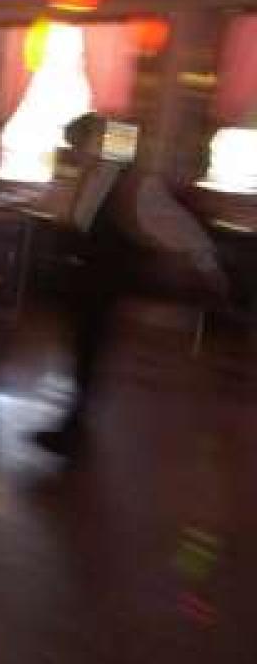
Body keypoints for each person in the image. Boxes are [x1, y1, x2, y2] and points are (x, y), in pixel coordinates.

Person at [34, 113, 229, 459]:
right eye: (74, 145)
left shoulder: (133, 183)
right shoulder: (89, 176)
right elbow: (75, 221)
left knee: (89, 354)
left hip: (105, 282)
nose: (75, 152)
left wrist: (208, 267)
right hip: (81, 280)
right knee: (79, 352)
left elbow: (177, 224)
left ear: (96, 142)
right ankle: (74, 425)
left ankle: (74, 430)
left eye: (80, 144)